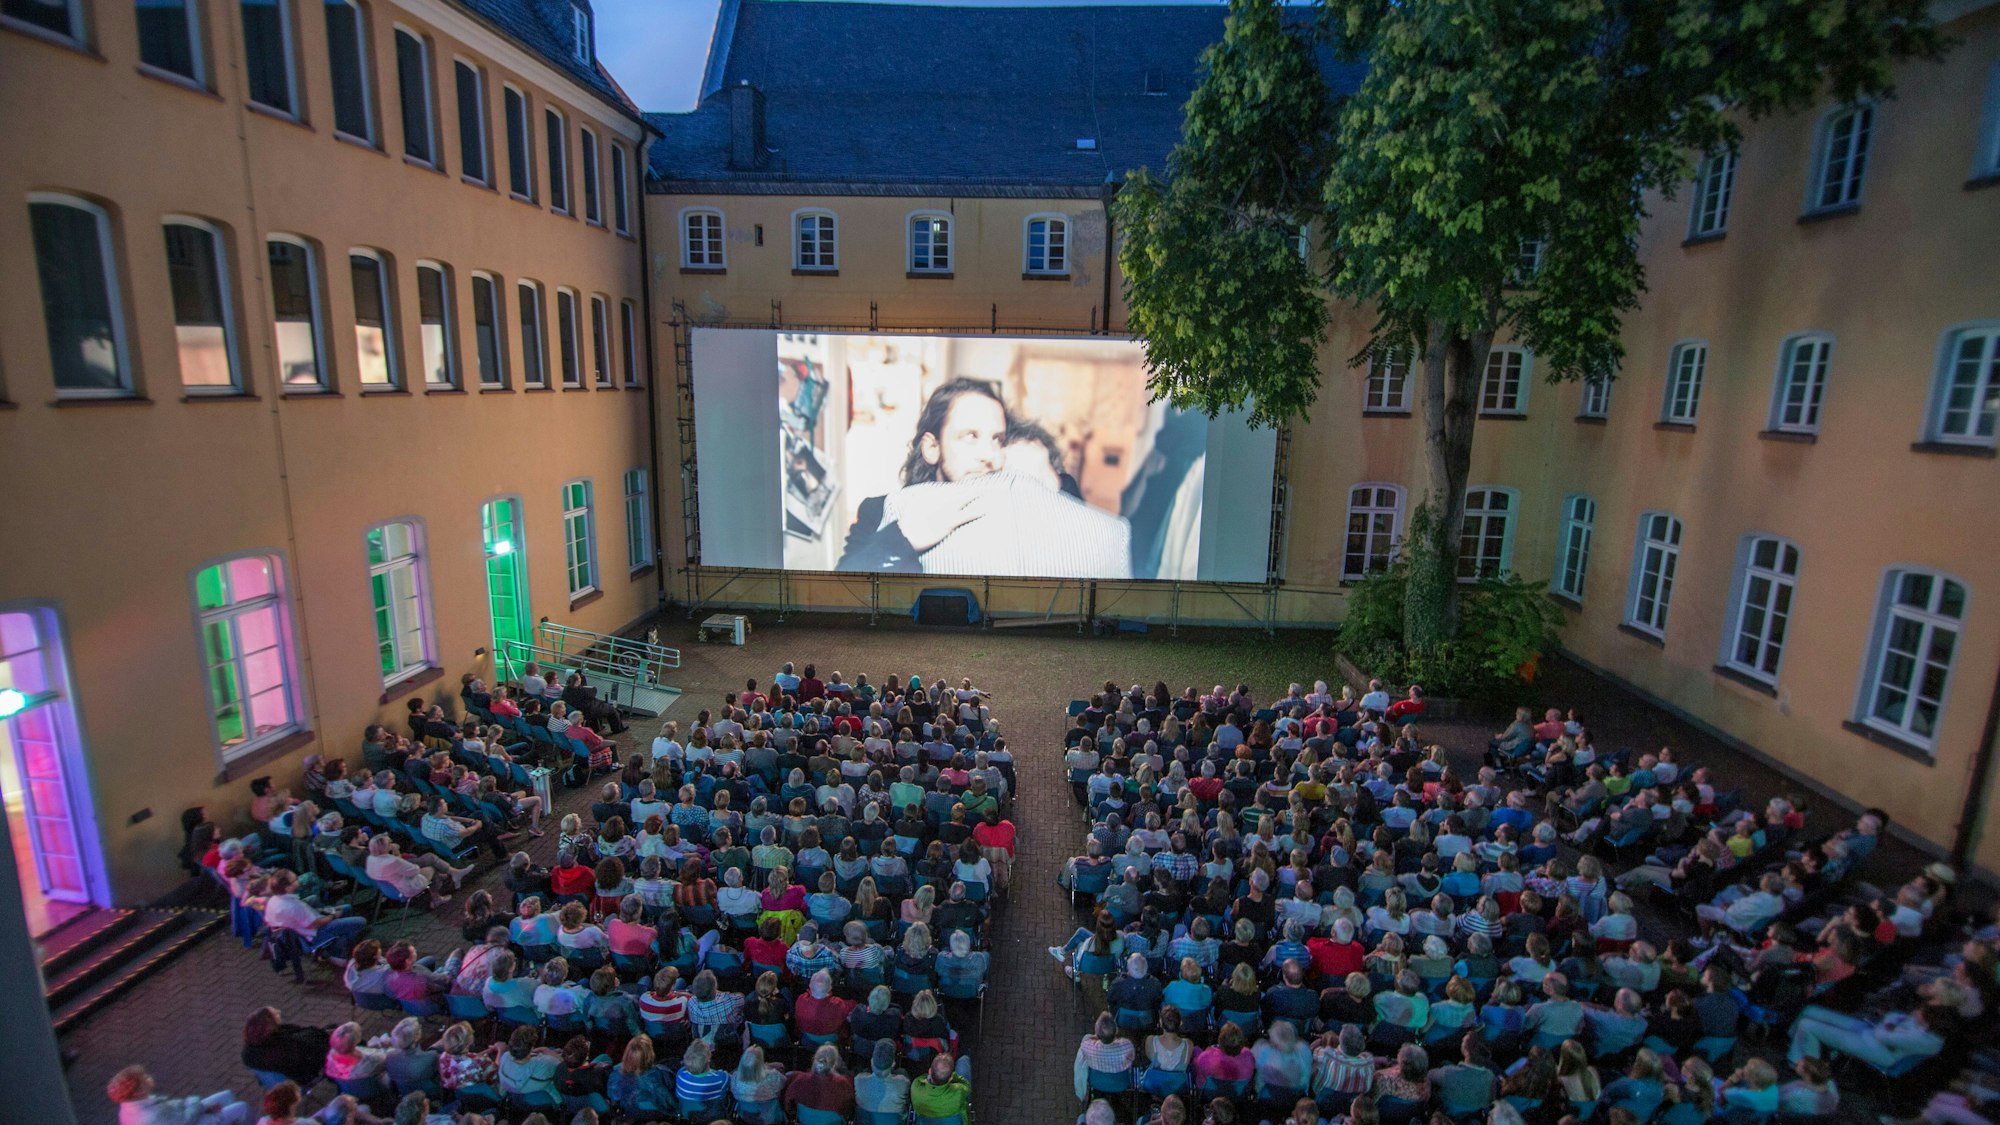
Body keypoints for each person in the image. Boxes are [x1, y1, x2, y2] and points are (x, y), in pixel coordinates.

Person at [106, 1064, 252, 1125]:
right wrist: (197, 1103)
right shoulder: (151, 1115)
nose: (148, 1078)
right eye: (144, 1079)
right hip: (193, 1121)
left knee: (227, 1095)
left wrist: (200, 1106)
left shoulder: (128, 1108)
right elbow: (185, 1120)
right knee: (242, 1107)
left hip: (189, 1112)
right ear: (138, 1091)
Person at [241, 1007, 331, 1087]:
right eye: (275, 1014)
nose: (278, 1012)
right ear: (268, 1026)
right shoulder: (284, 1046)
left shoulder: (247, 1053)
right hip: (302, 1077)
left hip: (276, 1081)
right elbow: (310, 1046)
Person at [911, 1053, 972, 1120]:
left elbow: (922, 1078)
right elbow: (967, 1086)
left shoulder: (915, 1087)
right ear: (950, 1078)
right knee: (964, 1060)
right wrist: (953, 1076)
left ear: (930, 1071)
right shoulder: (959, 1092)